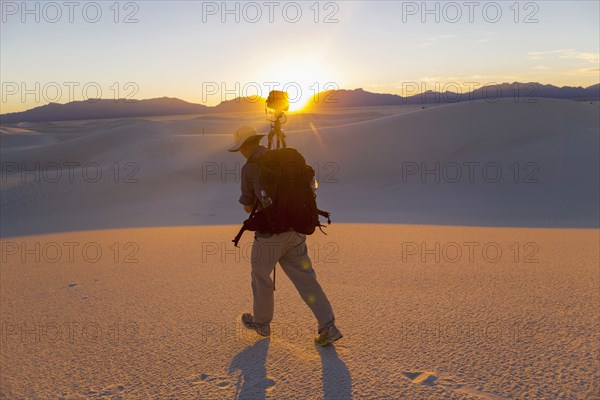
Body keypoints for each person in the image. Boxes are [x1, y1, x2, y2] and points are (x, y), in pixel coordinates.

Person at [228, 126, 342, 346]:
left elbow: (248, 205)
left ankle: (261, 323)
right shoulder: (282, 158)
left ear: (243, 146)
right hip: (297, 230)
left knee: (261, 275)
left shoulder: (249, 167)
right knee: (307, 281)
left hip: (270, 236)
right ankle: (328, 326)